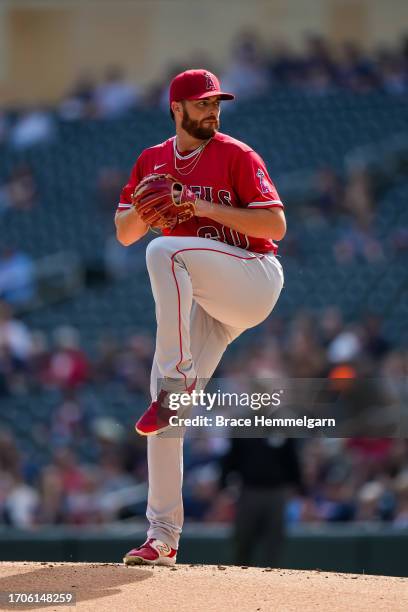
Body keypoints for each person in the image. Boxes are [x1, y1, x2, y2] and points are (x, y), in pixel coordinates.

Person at [115, 69, 286, 566]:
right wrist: (150, 208)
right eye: (202, 103)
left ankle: (179, 376)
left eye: (217, 102)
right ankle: (162, 537)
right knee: (164, 411)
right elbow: (125, 232)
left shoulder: (236, 153)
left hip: (253, 278)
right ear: (177, 108)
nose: (213, 110)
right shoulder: (152, 160)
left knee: (164, 252)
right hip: (207, 300)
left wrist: (195, 202)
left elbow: (275, 222)